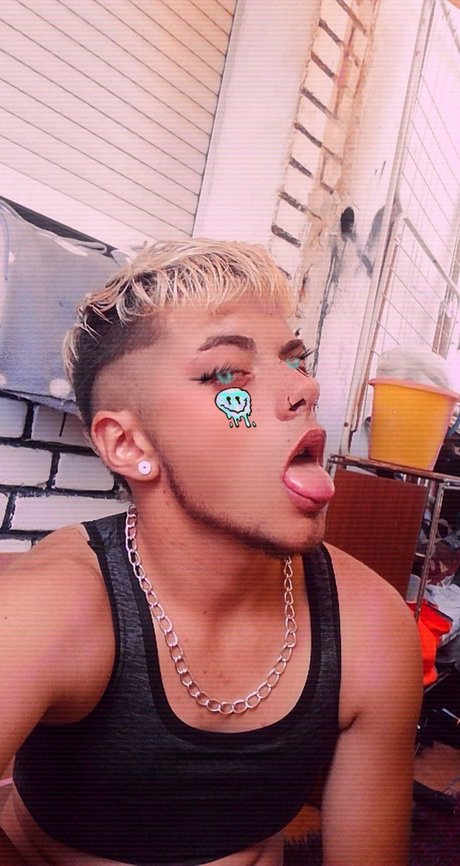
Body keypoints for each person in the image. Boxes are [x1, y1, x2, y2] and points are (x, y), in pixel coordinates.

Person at [0, 240, 422, 866]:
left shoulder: (372, 627)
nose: (304, 388)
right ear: (128, 444)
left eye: (295, 360)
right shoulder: (48, 607)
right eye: (227, 374)